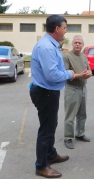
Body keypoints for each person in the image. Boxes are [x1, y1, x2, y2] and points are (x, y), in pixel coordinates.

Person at [29, 14, 75, 178]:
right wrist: (70, 73)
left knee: (51, 125)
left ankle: (50, 154)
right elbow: (53, 75)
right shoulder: (46, 47)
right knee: (46, 129)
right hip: (45, 92)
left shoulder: (50, 44)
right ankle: (41, 166)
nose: (65, 31)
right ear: (57, 29)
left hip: (48, 92)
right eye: (64, 28)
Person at [63, 35, 92, 149]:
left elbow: (88, 69)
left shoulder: (84, 56)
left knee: (82, 114)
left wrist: (89, 73)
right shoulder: (67, 57)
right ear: (72, 44)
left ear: (83, 45)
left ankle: (80, 133)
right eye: (75, 42)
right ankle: (68, 137)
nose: (77, 44)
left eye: (80, 43)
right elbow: (65, 74)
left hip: (83, 88)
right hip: (72, 88)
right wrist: (81, 75)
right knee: (70, 115)